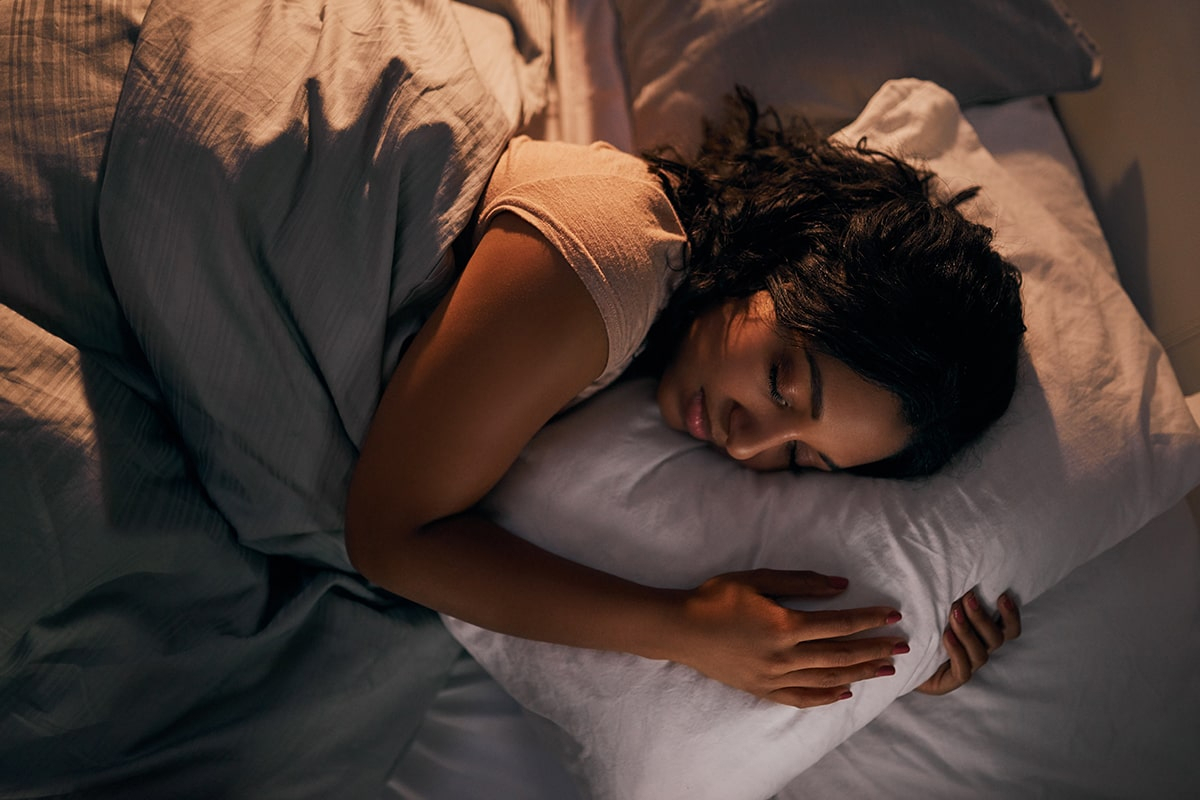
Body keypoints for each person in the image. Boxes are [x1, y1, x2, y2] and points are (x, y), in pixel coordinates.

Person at [345, 89, 1025, 708]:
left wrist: (905, 665)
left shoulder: (659, 324)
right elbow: (388, 541)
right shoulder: (611, 259)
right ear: (780, 259)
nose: (747, 439)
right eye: (782, 382)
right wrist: (683, 628)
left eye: (798, 458)